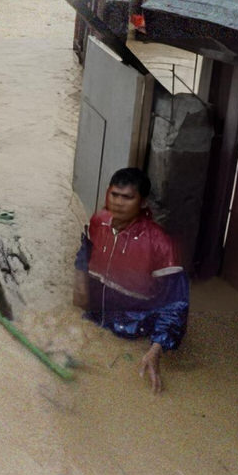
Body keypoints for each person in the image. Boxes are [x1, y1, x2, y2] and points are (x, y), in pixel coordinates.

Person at [73, 167, 189, 393]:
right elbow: (84, 252)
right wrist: (79, 279)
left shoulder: (161, 244)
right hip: (96, 318)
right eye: (114, 195)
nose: (118, 203)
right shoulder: (98, 222)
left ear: (143, 202)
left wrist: (157, 348)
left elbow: (176, 304)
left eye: (127, 197)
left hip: (135, 332)